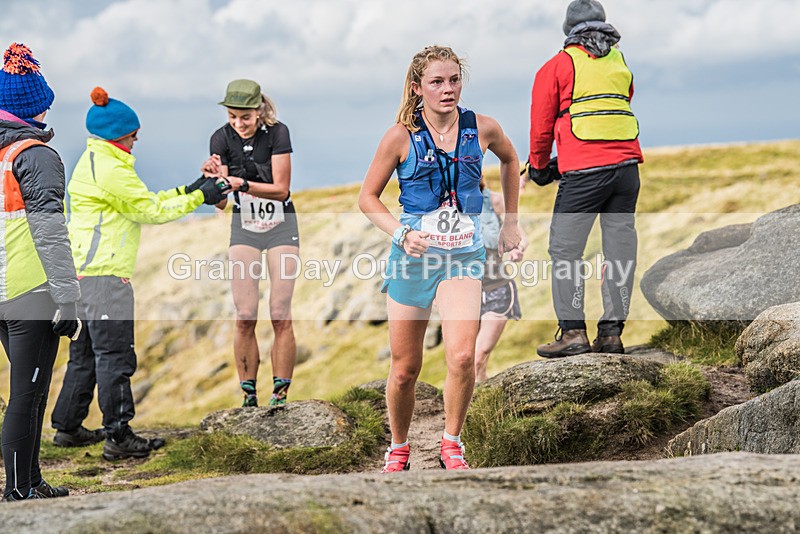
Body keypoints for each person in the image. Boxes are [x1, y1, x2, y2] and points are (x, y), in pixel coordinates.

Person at [359, 45, 520, 472]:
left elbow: (510, 159)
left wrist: (511, 223)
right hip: (414, 259)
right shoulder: (399, 137)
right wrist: (401, 233)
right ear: (418, 88)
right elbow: (367, 198)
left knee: (463, 358)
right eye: (437, 82)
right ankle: (398, 447)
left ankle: (451, 444)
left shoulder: (483, 127)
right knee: (405, 369)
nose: (448, 89)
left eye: (454, 80)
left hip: (463, 257)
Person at [50, 87, 226, 460]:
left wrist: (192, 188)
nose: (137, 139)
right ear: (118, 135)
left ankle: (68, 428)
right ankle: (118, 436)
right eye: (133, 134)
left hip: (81, 275)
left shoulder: (94, 160)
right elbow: (150, 212)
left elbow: (142, 200)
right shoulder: (112, 169)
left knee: (85, 355)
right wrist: (203, 197)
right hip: (106, 278)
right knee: (115, 356)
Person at [527, 0, 643, 358]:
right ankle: (611, 335)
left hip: (584, 175)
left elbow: (542, 126)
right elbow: (611, 109)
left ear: (569, 31)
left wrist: (539, 167)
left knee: (566, 251)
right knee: (619, 250)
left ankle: (573, 332)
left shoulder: (558, 65)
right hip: (627, 170)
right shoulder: (619, 61)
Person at [0, 43, 80, 501]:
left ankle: (30, 481)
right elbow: (50, 233)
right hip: (30, 291)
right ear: (36, 107)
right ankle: (18, 489)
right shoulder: (37, 156)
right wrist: (67, 298)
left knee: (29, 389)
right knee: (27, 394)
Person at [201, 79, 300, 408]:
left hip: (281, 225)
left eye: (244, 117)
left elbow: (281, 190)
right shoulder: (220, 138)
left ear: (259, 111)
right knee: (245, 314)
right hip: (245, 227)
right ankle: (248, 395)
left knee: (279, 312)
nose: (238, 124)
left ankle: (280, 394)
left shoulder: (278, 133)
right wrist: (213, 182)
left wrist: (241, 183)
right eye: (232, 117)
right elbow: (220, 203)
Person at [474, 178, 528, 383]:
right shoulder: (445, 205)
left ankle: (479, 392)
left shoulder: (495, 201)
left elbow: (520, 235)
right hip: (463, 293)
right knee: (466, 359)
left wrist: (517, 249)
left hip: (497, 289)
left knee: (478, 356)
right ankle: (482, 394)